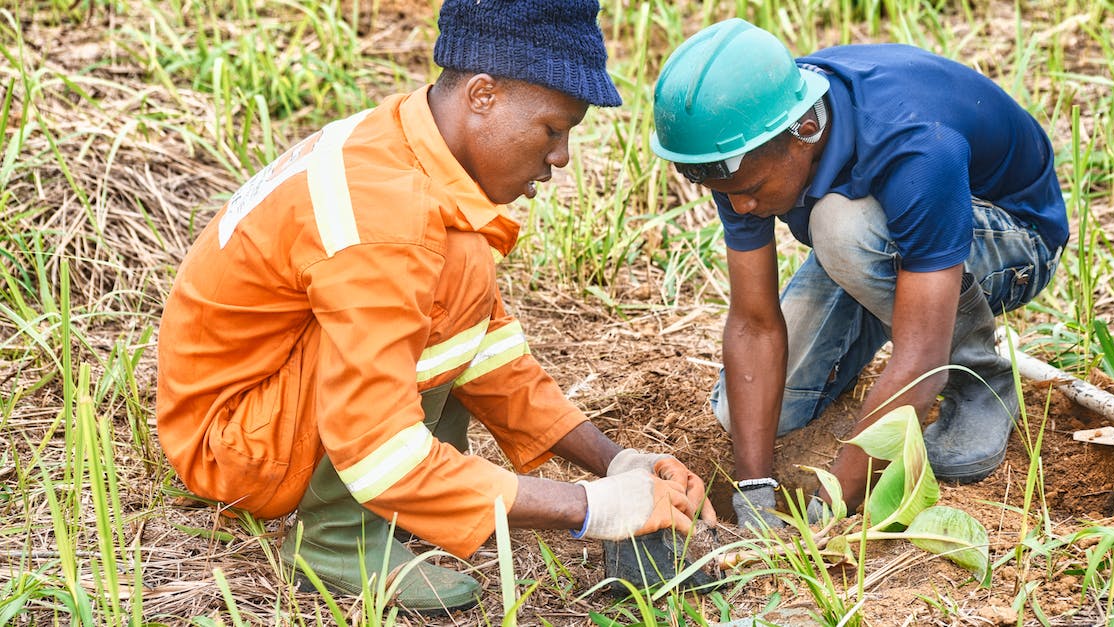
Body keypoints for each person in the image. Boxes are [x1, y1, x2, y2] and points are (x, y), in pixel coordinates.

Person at [155, 0, 715, 614]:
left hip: (266, 397)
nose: (560, 157)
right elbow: (375, 445)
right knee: (445, 270)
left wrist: (615, 462)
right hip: (237, 444)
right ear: (483, 95)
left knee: (455, 264)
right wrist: (590, 508)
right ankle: (339, 540)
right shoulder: (387, 220)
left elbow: (492, 357)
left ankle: (412, 504)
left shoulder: (406, 141)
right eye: (553, 130)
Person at [649, 19, 1067, 527]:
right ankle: (879, 288)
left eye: (752, 190)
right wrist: (753, 491)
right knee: (746, 414)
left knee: (843, 228)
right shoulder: (741, 148)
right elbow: (754, 324)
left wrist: (827, 514)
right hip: (880, 237)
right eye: (726, 193)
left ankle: (980, 379)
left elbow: (920, 357)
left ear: (805, 131)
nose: (740, 207)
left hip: (1012, 236)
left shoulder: (916, 147)